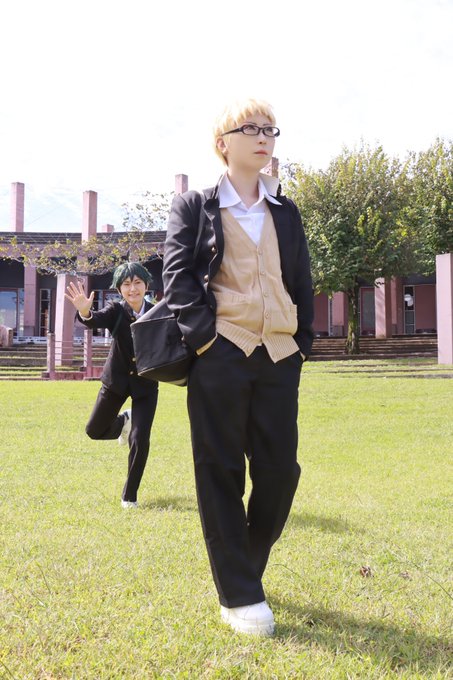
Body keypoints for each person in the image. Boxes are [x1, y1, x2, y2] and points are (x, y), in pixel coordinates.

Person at [162, 98, 314, 635]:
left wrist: (302, 344)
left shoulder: (285, 211)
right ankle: (240, 595)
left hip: (280, 354)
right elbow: (177, 278)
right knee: (220, 469)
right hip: (221, 352)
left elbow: (300, 279)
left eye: (270, 129)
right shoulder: (194, 206)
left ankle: (241, 570)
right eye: (250, 128)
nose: (263, 136)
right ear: (223, 143)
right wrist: (206, 342)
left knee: (280, 472)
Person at [65, 262, 158, 509]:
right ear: (119, 289)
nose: (132, 289)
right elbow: (94, 320)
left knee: (140, 440)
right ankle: (124, 421)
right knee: (94, 430)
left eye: (137, 283)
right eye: (126, 284)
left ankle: (129, 496)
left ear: (146, 285)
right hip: (116, 381)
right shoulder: (116, 310)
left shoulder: (158, 312)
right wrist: (85, 312)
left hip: (146, 385)